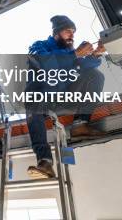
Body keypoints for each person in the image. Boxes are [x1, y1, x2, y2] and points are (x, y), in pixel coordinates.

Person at [25, 15, 106, 179]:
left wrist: (95, 55)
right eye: (68, 31)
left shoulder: (70, 53)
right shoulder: (39, 46)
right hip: (41, 97)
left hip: (63, 97)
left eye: (73, 32)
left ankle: (80, 124)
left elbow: (82, 67)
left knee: (95, 75)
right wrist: (74, 54)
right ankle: (45, 161)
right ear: (56, 33)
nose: (72, 35)